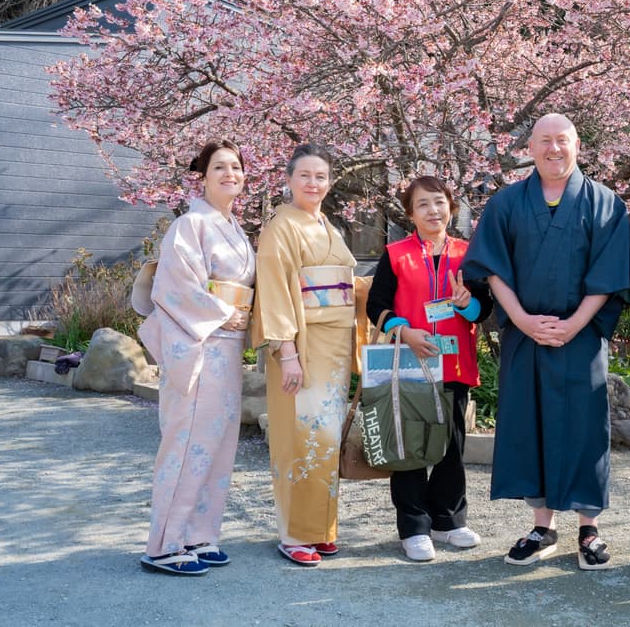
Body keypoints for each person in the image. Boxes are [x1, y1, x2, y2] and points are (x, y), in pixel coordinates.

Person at [461, 113, 629, 570]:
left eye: (563, 140)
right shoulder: (507, 202)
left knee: (584, 429)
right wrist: (519, 318)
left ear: (577, 146)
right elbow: (491, 268)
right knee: (530, 425)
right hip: (524, 334)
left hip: (581, 336)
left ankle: (589, 529)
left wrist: (574, 324)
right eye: (545, 141)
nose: (554, 149)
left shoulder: (604, 202)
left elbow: (610, 275)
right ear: (530, 148)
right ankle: (542, 525)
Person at [138, 139, 256, 575]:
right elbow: (175, 287)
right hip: (199, 344)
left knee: (218, 445)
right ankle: (165, 544)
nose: (230, 174)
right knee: (187, 444)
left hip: (227, 347)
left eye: (236, 167)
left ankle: (199, 534)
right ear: (203, 177)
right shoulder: (190, 225)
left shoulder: (235, 228)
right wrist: (224, 313)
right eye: (220, 168)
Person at [366, 175, 493, 562]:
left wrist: (464, 302)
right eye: (422, 204)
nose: (433, 211)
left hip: (454, 362)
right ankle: (414, 525)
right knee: (411, 445)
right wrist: (402, 330)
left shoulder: (467, 254)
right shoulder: (395, 253)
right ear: (410, 214)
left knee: (452, 445)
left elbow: (483, 309)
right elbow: (377, 305)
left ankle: (449, 520)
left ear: (451, 207)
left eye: (439, 202)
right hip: (411, 363)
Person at [254, 143, 358, 567]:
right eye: (304, 176)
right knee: (298, 436)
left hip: (333, 346)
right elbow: (275, 288)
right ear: (289, 179)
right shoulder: (281, 226)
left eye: (320, 176)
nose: (313, 183)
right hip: (301, 344)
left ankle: (320, 530)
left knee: (325, 438)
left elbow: (345, 284)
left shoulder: (327, 225)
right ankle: (294, 532)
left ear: (329, 183)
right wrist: (287, 352)